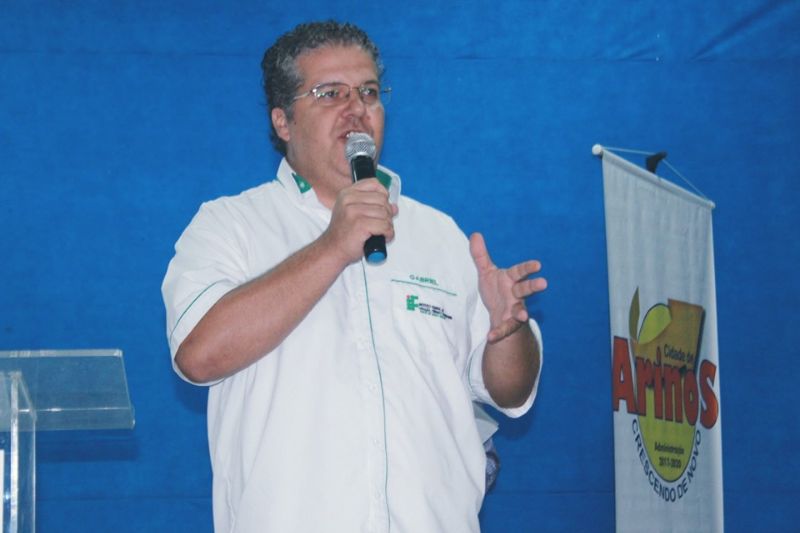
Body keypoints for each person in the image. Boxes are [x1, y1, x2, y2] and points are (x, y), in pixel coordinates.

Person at [162, 20, 546, 533]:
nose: (356, 108)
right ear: (282, 121)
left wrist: (509, 333)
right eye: (330, 93)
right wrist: (333, 246)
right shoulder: (230, 225)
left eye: (368, 92)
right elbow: (198, 355)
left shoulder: (440, 235)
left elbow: (510, 392)